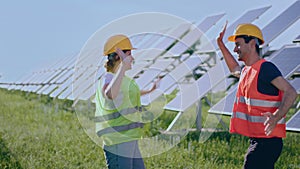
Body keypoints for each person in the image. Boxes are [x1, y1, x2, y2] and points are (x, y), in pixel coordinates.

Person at [217, 23, 297, 169]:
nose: (235, 49)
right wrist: (221, 45)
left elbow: (291, 92)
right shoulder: (247, 71)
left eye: (238, 45)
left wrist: (276, 117)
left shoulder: (266, 69)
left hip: (268, 142)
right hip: (258, 141)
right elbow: (234, 69)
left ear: (252, 43)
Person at [95, 34, 158, 169]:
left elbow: (127, 94)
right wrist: (123, 67)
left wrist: (151, 90)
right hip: (118, 141)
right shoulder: (108, 78)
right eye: (129, 54)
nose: (132, 58)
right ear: (119, 56)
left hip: (129, 137)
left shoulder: (121, 79)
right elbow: (110, 93)